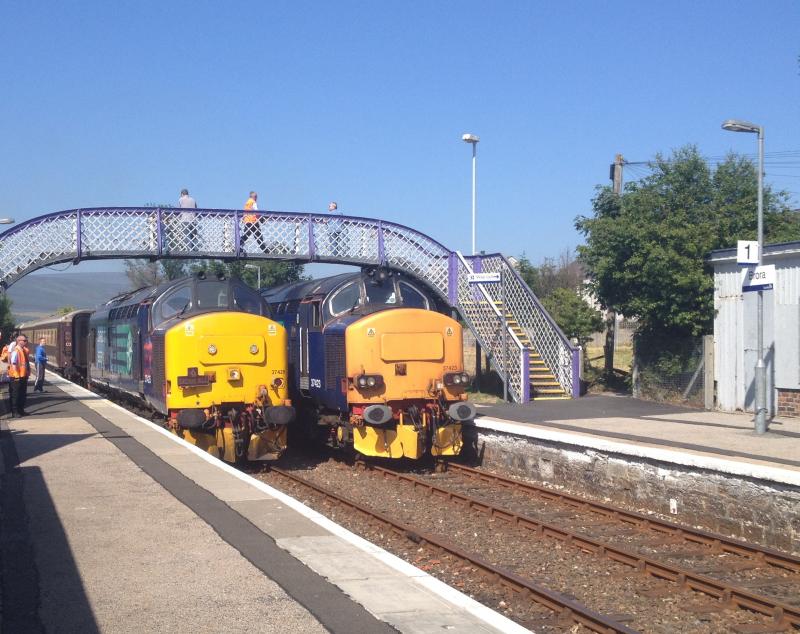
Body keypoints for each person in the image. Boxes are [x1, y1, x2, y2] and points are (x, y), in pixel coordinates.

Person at [7, 335, 31, 417]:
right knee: (15, 395)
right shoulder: (16, 351)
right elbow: (13, 364)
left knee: (22, 394)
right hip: (16, 377)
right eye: (24, 340)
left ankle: (21, 410)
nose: (25, 342)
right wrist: (16, 376)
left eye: (26, 340)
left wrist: (27, 372)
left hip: (23, 375)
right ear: (19, 341)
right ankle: (15, 412)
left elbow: (25, 363)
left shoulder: (23, 350)